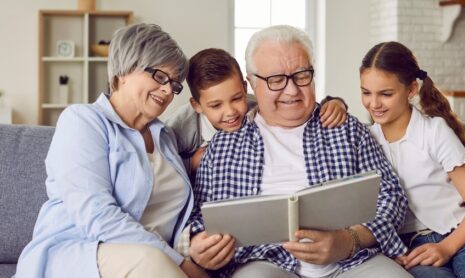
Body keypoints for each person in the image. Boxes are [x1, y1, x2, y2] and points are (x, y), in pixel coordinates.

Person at [187, 25, 411, 278]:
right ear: (251, 83)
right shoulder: (224, 145)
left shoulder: (345, 127)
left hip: (353, 261)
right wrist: (199, 244)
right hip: (266, 264)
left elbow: (391, 195)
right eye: (276, 80)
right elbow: (199, 216)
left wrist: (350, 240)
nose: (292, 90)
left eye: (301, 75)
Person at [15, 23, 207, 278]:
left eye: (174, 85)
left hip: (156, 260)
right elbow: (96, 214)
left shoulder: (166, 135)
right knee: (150, 261)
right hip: (82, 254)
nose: (167, 90)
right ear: (125, 70)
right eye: (160, 76)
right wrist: (179, 263)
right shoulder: (83, 120)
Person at [359, 41, 465, 277]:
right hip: (411, 250)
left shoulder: (434, 131)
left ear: (411, 90)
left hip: (464, 237)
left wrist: (446, 247)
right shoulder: (364, 139)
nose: (374, 103)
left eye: (386, 94)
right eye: (366, 92)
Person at [166, 48, 348, 179]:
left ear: (245, 88)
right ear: (197, 105)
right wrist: (191, 163)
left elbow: (299, 106)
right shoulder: (182, 126)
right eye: (216, 106)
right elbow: (160, 169)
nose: (230, 112)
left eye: (236, 99)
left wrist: (335, 103)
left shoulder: (255, 106)